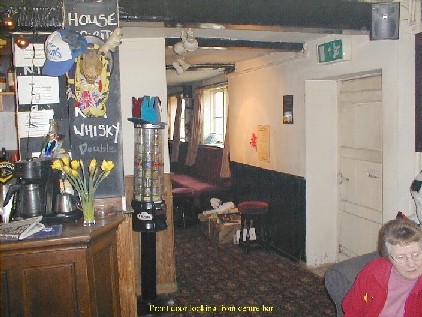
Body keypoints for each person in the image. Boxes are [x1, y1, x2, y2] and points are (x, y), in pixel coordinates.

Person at [342, 218, 422, 317]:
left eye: (416, 254)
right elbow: (353, 310)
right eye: (401, 257)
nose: (411, 263)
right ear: (389, 258)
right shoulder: (373, 272)